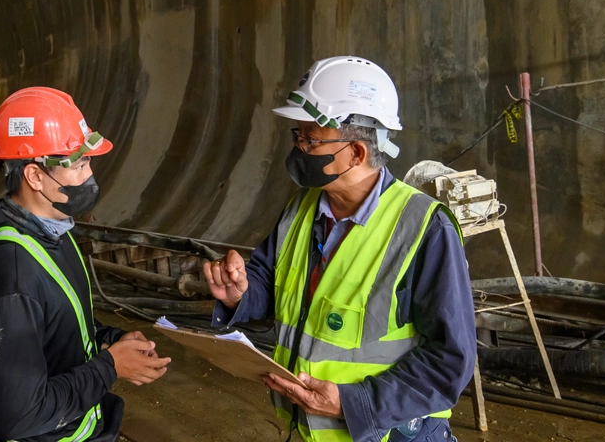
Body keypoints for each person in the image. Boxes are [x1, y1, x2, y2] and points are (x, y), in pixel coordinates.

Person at [203, 57, 475, 442]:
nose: (298, 148)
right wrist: (240, 294)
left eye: (311, 140)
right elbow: (272, 282)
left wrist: (355, 403)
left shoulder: (425, 229)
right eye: (298, 135)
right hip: (312, 429)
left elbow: (450, 362)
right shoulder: (301, 208)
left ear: (357, 153)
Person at [0, 87, 170, 442]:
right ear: (35, 176)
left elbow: (60, 327)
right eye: (79, 165)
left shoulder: (55, 234)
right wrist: (110, 367)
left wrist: (112, 340)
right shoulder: (14, 273)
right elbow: (20, 416)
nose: (90, 176)